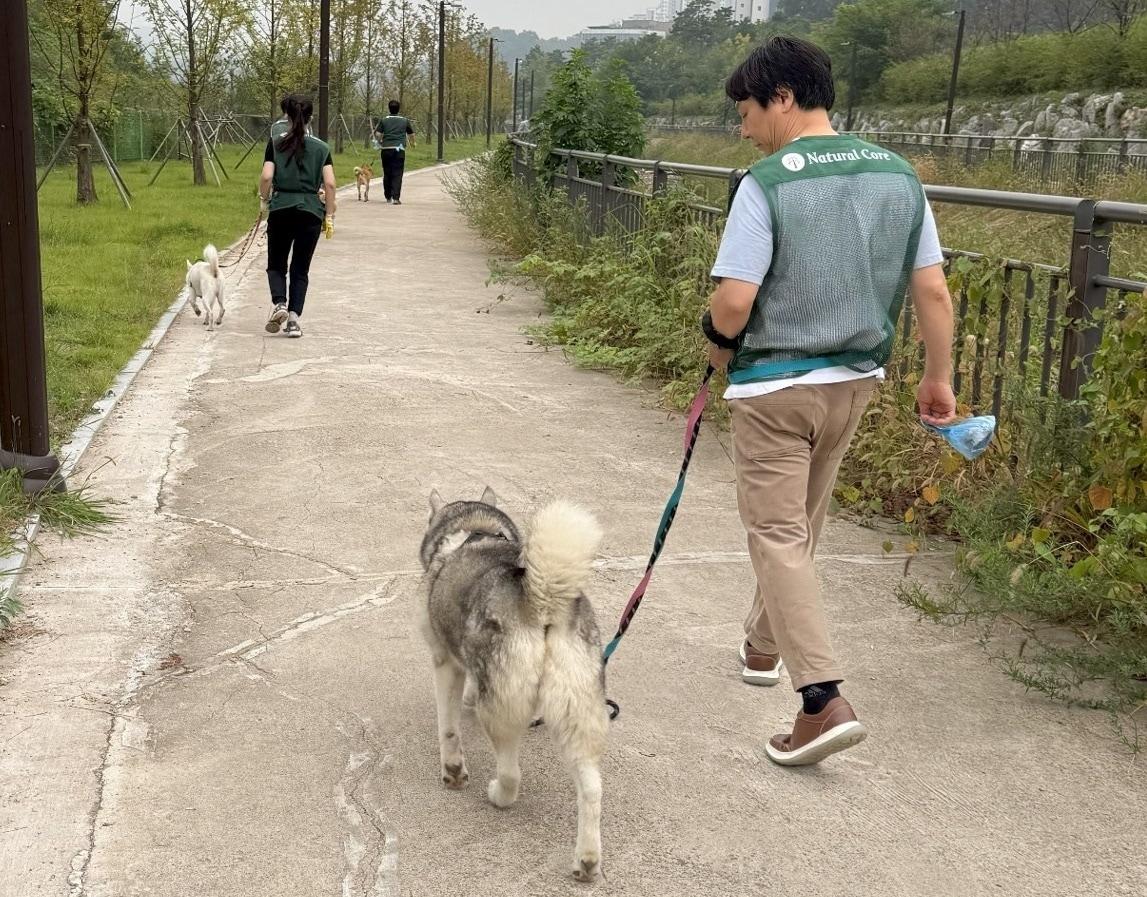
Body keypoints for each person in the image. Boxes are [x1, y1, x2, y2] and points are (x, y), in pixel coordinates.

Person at [702, 36, 957, 766]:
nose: (743, 127)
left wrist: (714, 341)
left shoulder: (766, 182)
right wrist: (936, 376)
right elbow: (931, 289)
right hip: (853, 381)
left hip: (775, 388)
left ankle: (820, 699)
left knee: (778, 533)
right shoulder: (899, 175)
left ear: (781, 97)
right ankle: (760, 645)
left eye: (747, 110)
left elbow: (733, 302)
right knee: (800, 523)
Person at [258, 94, 336, 339]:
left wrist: (263, 200)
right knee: (301, 268)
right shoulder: (322, 148)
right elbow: (331, 184)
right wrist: (329, 215)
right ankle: (293, 321)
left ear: (287, 117)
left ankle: (279, 303)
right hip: (311, 212)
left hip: (281, 209)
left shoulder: (275, 142)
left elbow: (267, 177)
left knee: (276, 263)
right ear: (311, 117)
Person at [373, 100, 415, 204]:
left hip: (386, 149)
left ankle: (388, 196)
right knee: (397, 173)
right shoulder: (405, 120)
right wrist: (412, 143)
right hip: (399, 150)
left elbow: (378, 134)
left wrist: (379, 142)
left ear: (389, 108)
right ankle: (396, 198)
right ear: (399, 109)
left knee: (387, 173)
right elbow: (411, 134)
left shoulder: (384, 120)